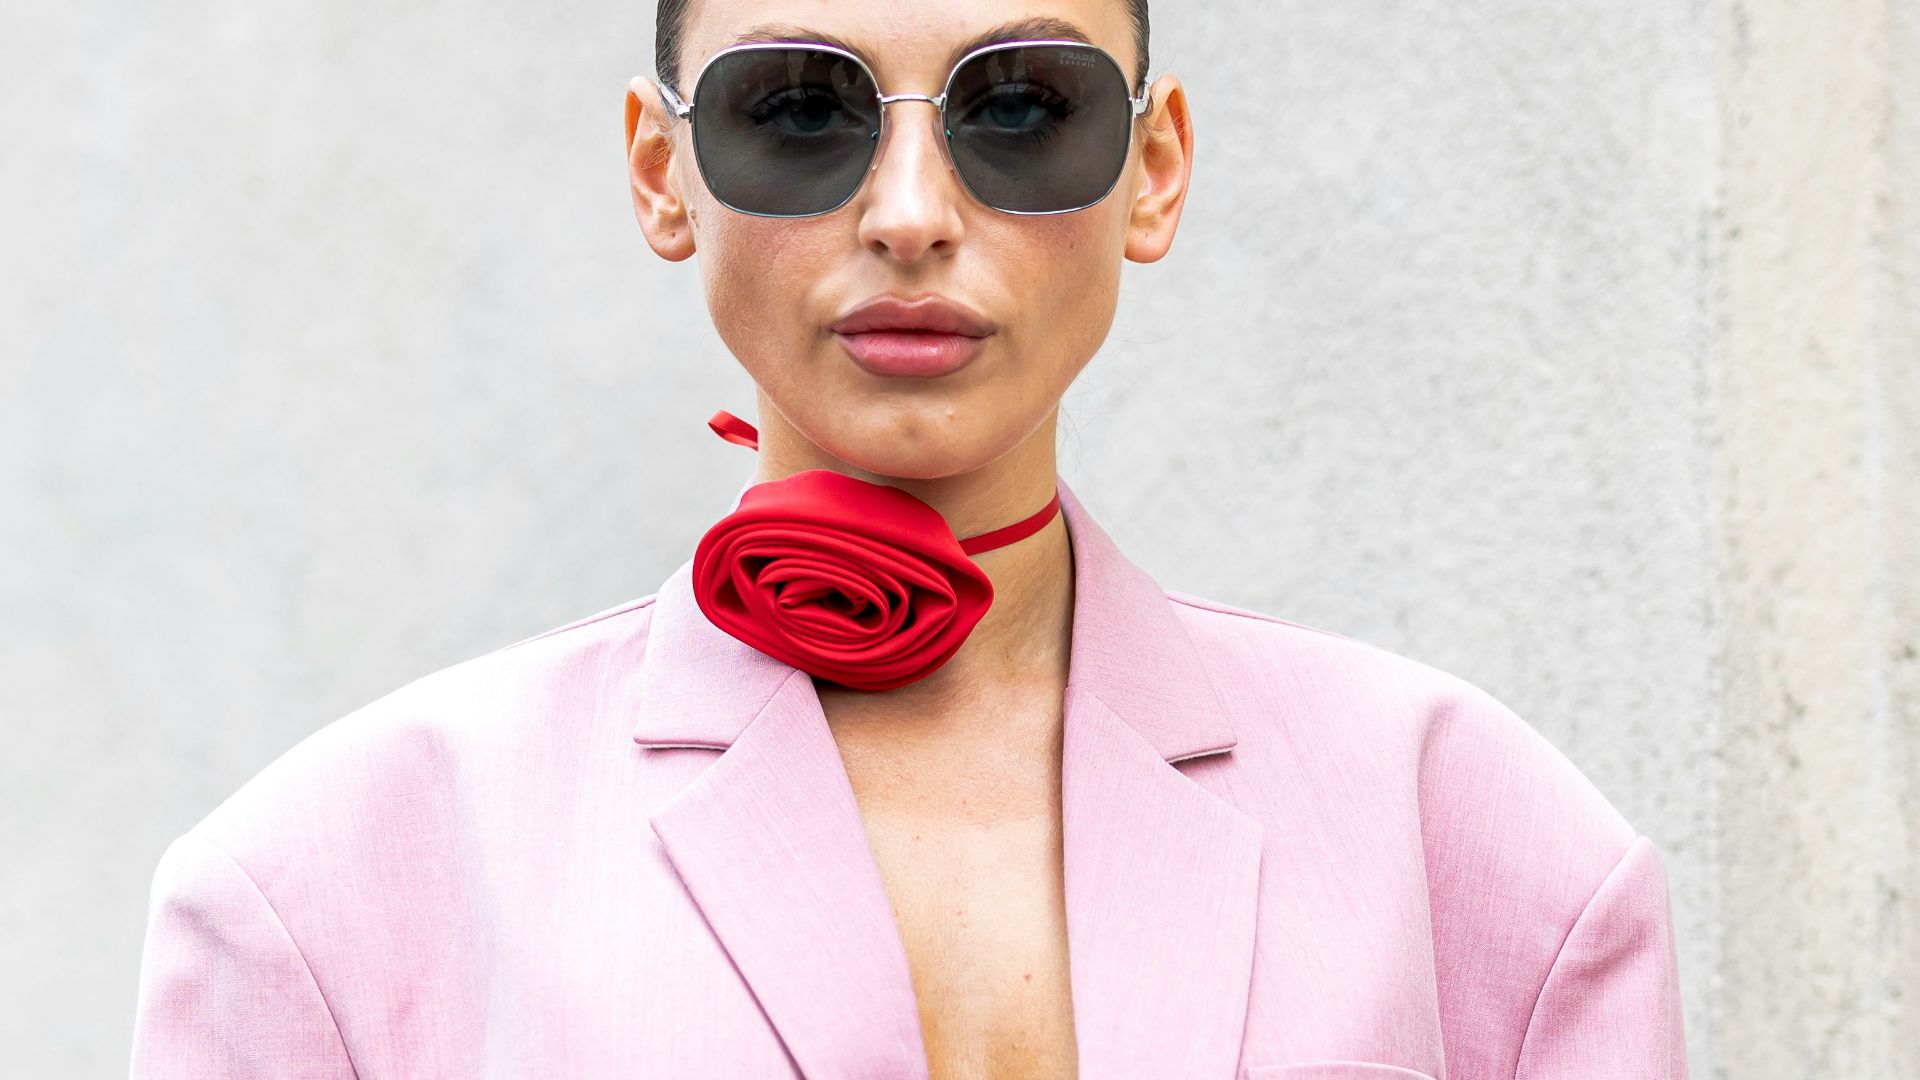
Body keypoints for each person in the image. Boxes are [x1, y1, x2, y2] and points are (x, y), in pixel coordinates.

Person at [128, 1, 1689, 1077]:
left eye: (1022, 107)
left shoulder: (1489, 847)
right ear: (661, 172)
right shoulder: (314, 897)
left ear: (1154, 170)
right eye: (798, 110)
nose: (910, 211)